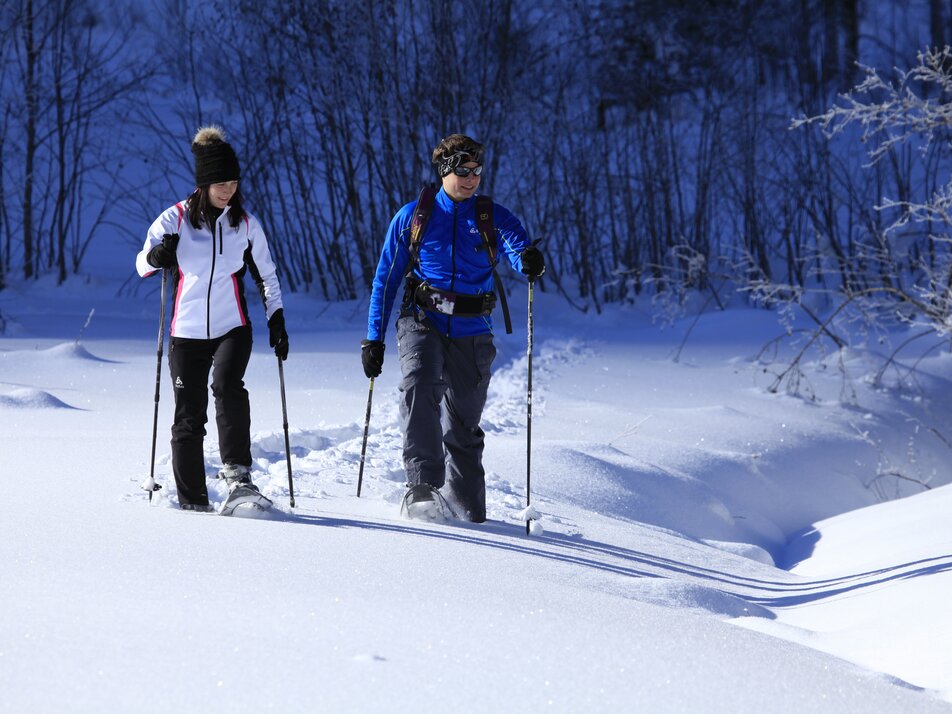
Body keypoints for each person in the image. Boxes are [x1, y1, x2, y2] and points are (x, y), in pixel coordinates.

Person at [362, 134, 545, 522]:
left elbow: (516, 246)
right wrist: (373, 339)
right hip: (422, 319)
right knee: (420, 383)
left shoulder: (491, 216)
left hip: (472, 328)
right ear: (445, 171)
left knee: (463, 423)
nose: (471, 178)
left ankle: (467, 509)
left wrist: (527, 258)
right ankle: (423, 487)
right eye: (463, 170)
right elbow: (385, 281)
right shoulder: (414, 217)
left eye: (477, 171)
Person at [136, 126, 289, 512]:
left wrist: (277, 319)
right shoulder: (175, 219)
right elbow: (141, 263)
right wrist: (157, 258)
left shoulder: (246, 224)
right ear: (204, 183)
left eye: (234, 182)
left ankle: (238, 474)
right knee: (188, 415)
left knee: (227, 385)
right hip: (185, 332)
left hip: (231, 327)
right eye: (220, 182)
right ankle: (193, 502)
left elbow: (266, 275)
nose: (228, 190)